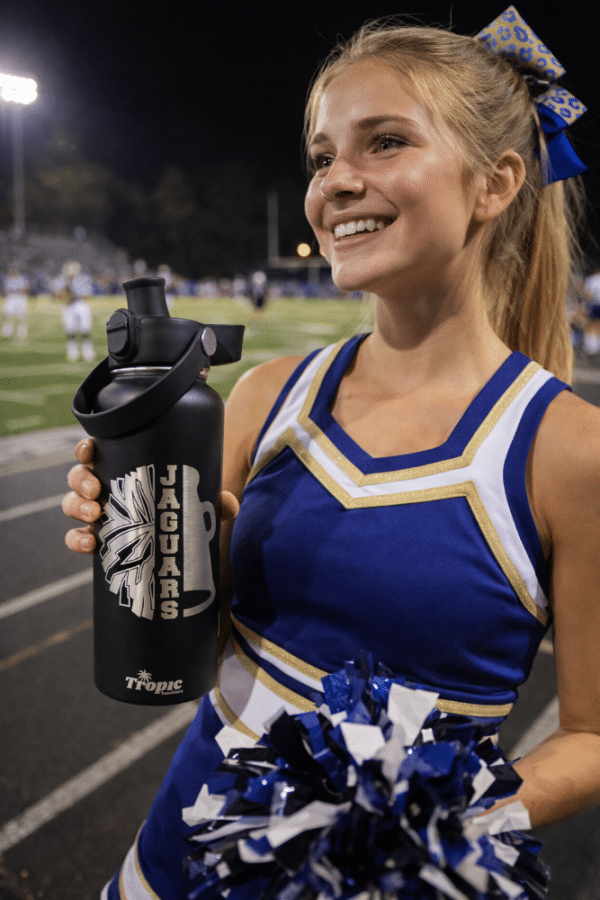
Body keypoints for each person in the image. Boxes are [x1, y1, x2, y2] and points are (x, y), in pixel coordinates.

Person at [63, 8, 600, 899]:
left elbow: (589, 734)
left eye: (384, 142)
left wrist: (437, 820)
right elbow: (201, 637)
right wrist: (139, 553)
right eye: (322, 157)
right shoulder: (264, 396)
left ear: (497, 181)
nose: (337, 181)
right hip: (179, 857)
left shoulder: (566, 450)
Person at [1, 266, 30, 340]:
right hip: (11, 298)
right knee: (8, 317)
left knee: (21, 317)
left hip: (20, 298)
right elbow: (5, 290)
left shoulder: (22, 279)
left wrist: (22, 292)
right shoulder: (8, 280)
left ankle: (22, 334)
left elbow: (26, 288)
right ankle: (6, 333)